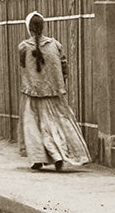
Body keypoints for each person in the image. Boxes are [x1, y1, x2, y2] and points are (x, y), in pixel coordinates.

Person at [18, 11, 90, 171]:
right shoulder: (55, 45)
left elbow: (23, 66)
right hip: (54, 94)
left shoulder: (23, 47)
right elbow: (64, 66)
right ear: (43, 27)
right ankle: (59, 155)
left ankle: (38, 158)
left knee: (33, 128)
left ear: (29, 28)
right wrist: (59, 83)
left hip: (32, 94)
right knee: (57, 124)